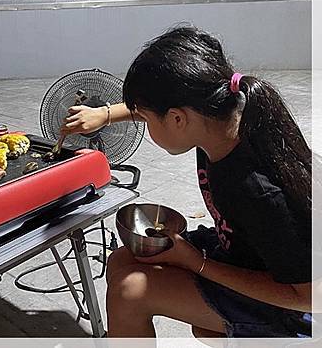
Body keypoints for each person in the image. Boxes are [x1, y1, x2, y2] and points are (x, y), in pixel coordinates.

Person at [63, 25, 312, 338]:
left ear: (178, 119)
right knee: (122, 259)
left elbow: (309, 298)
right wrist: (106, 114)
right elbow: (165, 104)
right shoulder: (224, 114)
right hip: (241, 254)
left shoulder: (256, 190)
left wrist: (197, 263)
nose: (145, 122)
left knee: (131, 291)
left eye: (147, 119)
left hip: (288, 309)